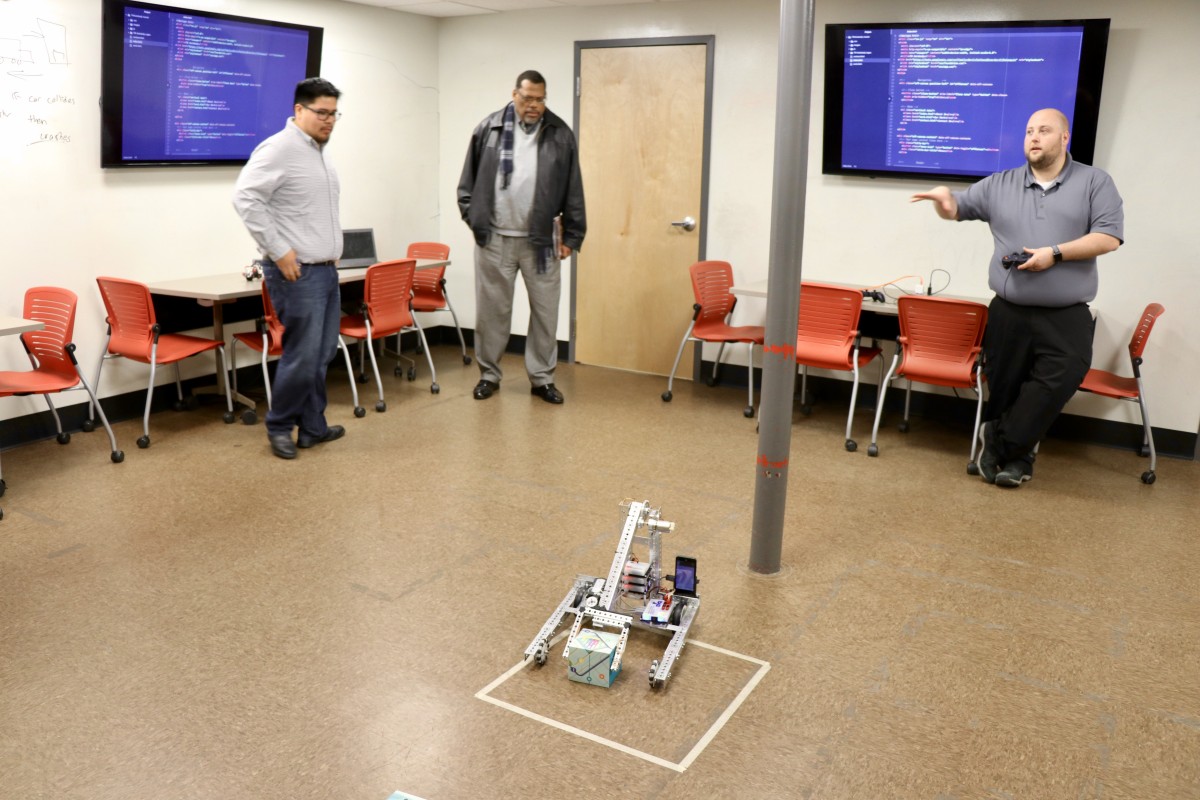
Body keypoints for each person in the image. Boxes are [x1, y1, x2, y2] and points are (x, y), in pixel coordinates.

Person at [910, 108, 1124, 488]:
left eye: (1044, 130)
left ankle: (997, 439)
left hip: (1066, 313)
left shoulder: (1095, 182)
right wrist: (945, 203)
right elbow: (959, 207)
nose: (1034, 137)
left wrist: (1054, 253)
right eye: (1028, 131)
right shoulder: (1000, 183)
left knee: (1061, 378)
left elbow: (1108, 237)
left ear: (1064, 138)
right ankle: (1015, 462)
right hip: (1009, 310)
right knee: (1006, 386)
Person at [233, 77, 347, 460]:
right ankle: (279, 427)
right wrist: (279, 251)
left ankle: (313, 427)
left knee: (322, 352)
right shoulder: (279, 148)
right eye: (322, 113)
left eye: (334, 114)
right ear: (299, 110)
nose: (329, 121)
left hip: (325, 271)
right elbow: (246, 198)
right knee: (302, 354)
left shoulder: (318, 152)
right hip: (297, 274)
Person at [456, 70, 586, 405]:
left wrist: (572, 234)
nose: (534, 105)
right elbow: (467, 186)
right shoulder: (489, 129)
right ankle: (489, 374)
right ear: (515, 94)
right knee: (492, 311)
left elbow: (574, 187)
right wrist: (477, 221)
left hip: (542, 242)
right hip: (494, 239)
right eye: (528, 98)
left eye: (540, 99)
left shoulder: (560, 133)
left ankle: (542, 379)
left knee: (546, 311)